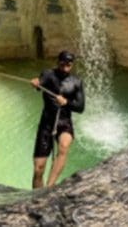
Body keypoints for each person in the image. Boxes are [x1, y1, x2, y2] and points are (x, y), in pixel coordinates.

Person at [29, 50, 85, 188]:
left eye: (68, 64)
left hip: (64, 122)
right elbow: (41, 82)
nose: (65, 67)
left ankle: (49, 187)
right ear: (58, 62)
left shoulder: (76, 82)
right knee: (38, 169)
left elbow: (80, 107)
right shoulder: (48, 74)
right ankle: (37, 195)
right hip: (47, 122)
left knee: (64, 145)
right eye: (63, 63)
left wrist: (66, 102)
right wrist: (36, 82)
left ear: (72, 65)